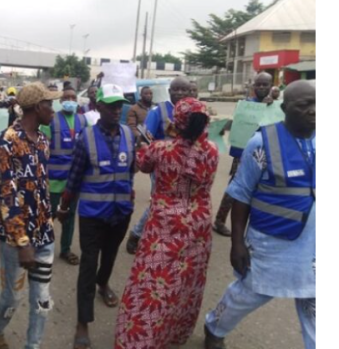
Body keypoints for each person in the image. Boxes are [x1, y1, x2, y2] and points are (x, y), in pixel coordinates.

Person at [204, 80, 315, 349]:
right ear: (285, 108)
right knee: (249, 295)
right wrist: (237, 242)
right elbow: (240, 194)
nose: (314, 110)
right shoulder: (261, 143)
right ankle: (214, 327)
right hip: (272, 242)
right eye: (305, 105)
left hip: (315, 247)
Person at [115, 98, 219, 348]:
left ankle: (140, 340)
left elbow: (142, 165)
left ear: (178, 121)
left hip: (165, 225)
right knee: (185, 284)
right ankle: (174, 335)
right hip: (199, 226)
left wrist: (143, 145)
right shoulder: (213, 150)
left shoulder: (161, 149)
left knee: (153, 284)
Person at [58, 84, 138, 349]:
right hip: (93, 213)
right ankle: (83, 322)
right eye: (111, 105)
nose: (117, 110)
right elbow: (74, 177)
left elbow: (131, 171)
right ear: (99, 106)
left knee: (111, 254)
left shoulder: (129, 134)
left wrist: (130, 193)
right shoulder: (86, 138)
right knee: (88, 264)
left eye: (120, 105)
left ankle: (103, 284)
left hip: (121, 211)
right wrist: (65, 206)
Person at [0, 82, 61, 349]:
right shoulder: (7, 140)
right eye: (50, 104)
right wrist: (22, 241)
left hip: (44, 233)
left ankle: (33, 345)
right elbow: (7, 194)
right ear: (37, 107)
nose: (53, 110)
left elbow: (41, 185)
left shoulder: (43, 140)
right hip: (16, 240)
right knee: (13, 297)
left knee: (41, 298)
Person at [126, 76, 191, 254]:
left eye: (183, 90)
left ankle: (168, 237)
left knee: (180, 204)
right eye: (175, 89)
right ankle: (137, 234)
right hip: (162, 169)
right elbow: (145, 139)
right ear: (169, 91)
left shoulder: (193, 111)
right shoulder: (158, 111)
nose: (179, 93)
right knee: (160, 203)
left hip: (186, 168)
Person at [213, 72, 273, 236]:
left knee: (264, 188)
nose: (261, 87)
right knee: (236, 187)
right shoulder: (246, 105)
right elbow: (238, 128)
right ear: (253, 86)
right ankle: (219, 220)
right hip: (245, 152)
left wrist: (271, 107)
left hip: (269, 152)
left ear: (271, 86)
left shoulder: (276, 107)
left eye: (265, 84)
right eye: (258, 84)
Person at [39, 86, 88, 266]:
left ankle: (65, 249)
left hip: (74, 179)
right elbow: (43, 149)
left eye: (73, 97)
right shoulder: (51, 120)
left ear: (77, 101)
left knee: (69, 216)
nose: (70, 100)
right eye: (66, 97)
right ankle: (42, 246)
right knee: (50, 214)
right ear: (60, 101)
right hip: (54, 178)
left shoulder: (83, 120)